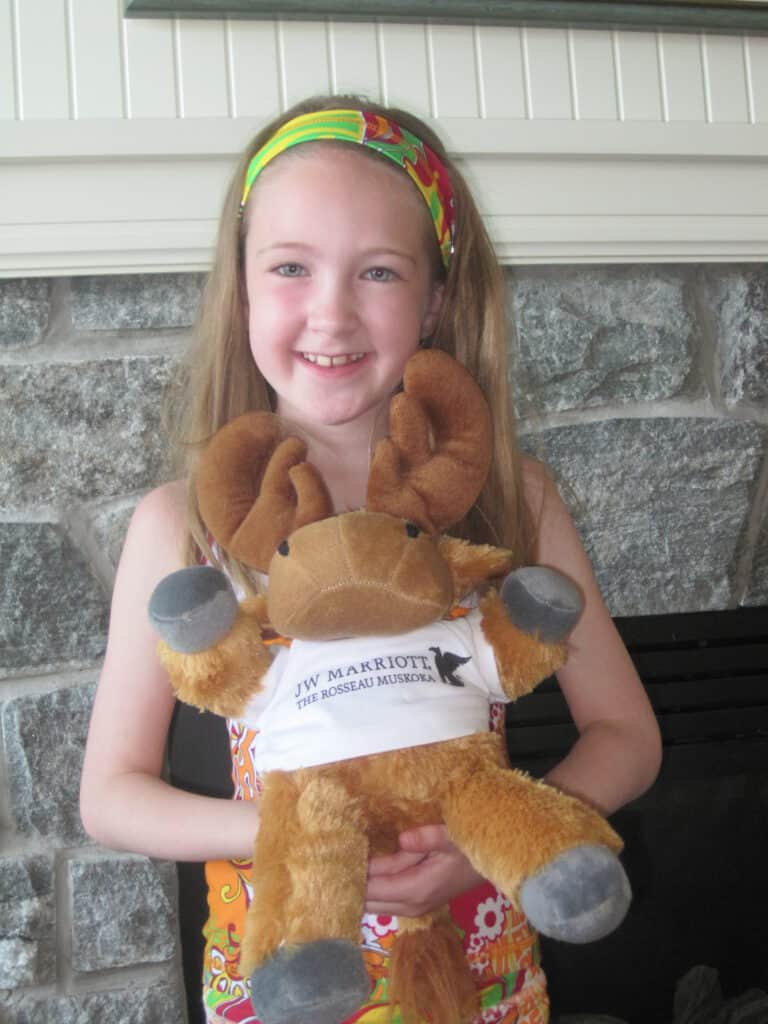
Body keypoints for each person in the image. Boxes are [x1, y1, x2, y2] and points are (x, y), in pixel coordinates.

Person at [80, 95, 662, 1024]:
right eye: (290, 267)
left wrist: (493, 843)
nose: (331, 312)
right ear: (240, 286)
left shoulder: (513, 499)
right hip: (281, 981)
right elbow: (111, 797)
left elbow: (629, 739)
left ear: (435, 300)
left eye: (379, 272)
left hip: (486, 980)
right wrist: (290, 837)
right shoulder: (180, 526)